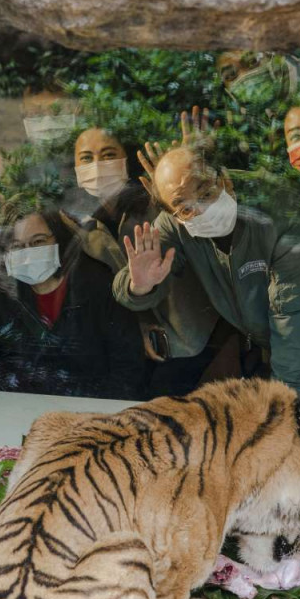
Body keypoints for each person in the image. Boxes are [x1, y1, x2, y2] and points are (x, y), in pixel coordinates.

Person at [114, 144, 300, 395]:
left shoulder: (283, 214)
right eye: (184, 207)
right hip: (280, 343)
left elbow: (295, 326)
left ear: (225, 179)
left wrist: (286, 407)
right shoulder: (176, 223)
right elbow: (128, 283)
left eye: (205, 192)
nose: (199, 209)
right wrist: (140, 286)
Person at [67, 122, 220, 397]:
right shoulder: (79, 223)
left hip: (201, 342)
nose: (98, 165)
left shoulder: (157, 198)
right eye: (86, 158)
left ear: (127, 158)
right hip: (141, 352)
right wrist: (138, 322)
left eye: (109, 154)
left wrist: (194, 168)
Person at [0, 206, 146, 400]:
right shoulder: (1, 294)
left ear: (59, 241)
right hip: (18, 412)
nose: (28, 252)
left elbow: (128, 368)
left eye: (38, 242)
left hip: (87, 415)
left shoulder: (97, 286)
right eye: (17, 246)